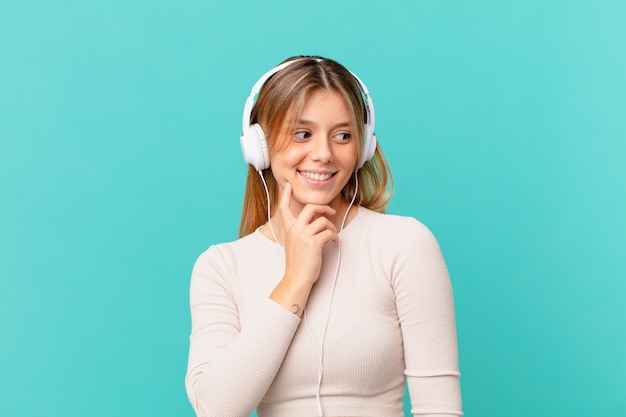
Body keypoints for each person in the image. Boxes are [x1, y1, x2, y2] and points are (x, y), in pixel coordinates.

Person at [185, 56, 463, 417]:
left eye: (343, 136)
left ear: (363, 148)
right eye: (302, 134)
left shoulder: (405, 244)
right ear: (260, 146)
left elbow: (439, 409)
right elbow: (216, 408)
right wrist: (296, 278)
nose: (323, 154)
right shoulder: (221, 267)